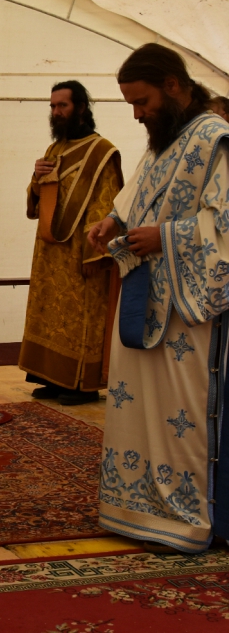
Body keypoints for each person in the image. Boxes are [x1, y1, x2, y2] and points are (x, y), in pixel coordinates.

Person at [88, 43, 229, 552]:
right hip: (145, 292)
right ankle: (135, 504)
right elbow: (140, 196)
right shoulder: (164, 141)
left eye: (142, 102)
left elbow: (224, 222)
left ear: (173, 85)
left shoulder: (215, 139)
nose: (137, 114)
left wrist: (166, 238)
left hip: (187, 311)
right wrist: (113, 221)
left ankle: (183, 515)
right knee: (133, 403)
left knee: (178, 413)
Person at [19, 81, 123, 405]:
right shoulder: (54, 150)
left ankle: (82, 385)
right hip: (50, 252)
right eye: (52, 106)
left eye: (62, 106)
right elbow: (38, 203)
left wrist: (94, 255)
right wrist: (36, 180)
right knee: (49, 317)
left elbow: (106, 204)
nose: (56, 112)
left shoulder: (101, 152)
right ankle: (52, 378)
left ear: (80, 107)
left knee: (80, 320)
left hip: (80, 253)